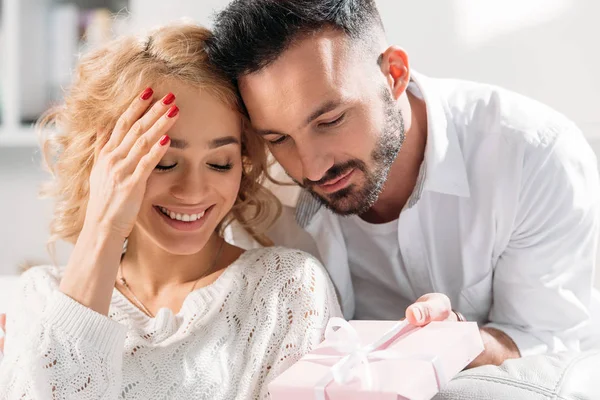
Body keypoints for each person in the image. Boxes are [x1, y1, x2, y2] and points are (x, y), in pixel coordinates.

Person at [207, 0, 600, 397]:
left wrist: (455, 341)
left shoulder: (533, 155)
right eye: (278, 138)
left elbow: (545, 342)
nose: (310, 169)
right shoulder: (260, 191)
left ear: (393, 74)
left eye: (330, 121)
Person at [0, 23, 340, 399]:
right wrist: (103, 228)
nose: (193, 191)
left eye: (220, 163)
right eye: (163, 162)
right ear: (105, 163)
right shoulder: (40, 298)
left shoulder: (284, 288)